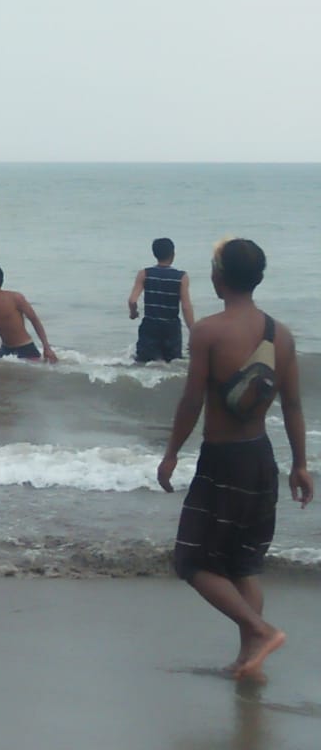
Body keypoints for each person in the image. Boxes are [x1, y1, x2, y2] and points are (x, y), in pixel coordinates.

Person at [157, 238, 312, 679]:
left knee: (191, 561)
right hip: (262, 459)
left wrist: (171, 453)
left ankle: (259, 633)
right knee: (243, 563)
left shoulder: (207, 330)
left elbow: (192, 401)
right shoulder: (280, 334)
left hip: (223, 461)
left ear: (218, 276)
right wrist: (300, 464)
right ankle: (249, 660)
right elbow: (294, 406)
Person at [127, 237, 194, 362]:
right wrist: (193, 331)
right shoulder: (181, 277)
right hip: (171, 328)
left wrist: (133, 313)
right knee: (172, 364)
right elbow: (186, 307)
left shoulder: (144, 273)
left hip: (150, 326)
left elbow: (132, 300)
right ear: (173, 254)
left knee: (144, 363)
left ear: (154, 254)